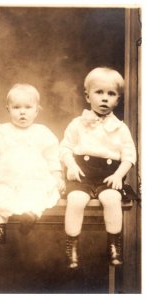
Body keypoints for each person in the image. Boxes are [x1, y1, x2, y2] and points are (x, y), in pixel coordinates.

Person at [0, 83, 65, 247]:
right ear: (8, 109)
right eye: (16, 107)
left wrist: (57, 176)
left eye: (28, 107)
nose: (22, 111)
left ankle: (30, 216)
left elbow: (52, 157)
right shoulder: (0, 132)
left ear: (36, 110)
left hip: (34, 180)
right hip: (8, 181)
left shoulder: (42, 132)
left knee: (40, 194)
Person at [60, 67, 136, 268]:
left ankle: (113, 245)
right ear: (87, 96)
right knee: (75, 200)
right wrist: (71, 165)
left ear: (117, 100)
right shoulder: (77, 124)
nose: (105, 99)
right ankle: (72, 247)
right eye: (99, 92)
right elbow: (65, 148)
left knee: (112, 199)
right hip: (82, 175)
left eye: (111, 94)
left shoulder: (121, 128)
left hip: (108, 176)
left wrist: (119, 175)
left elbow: (129, 156)